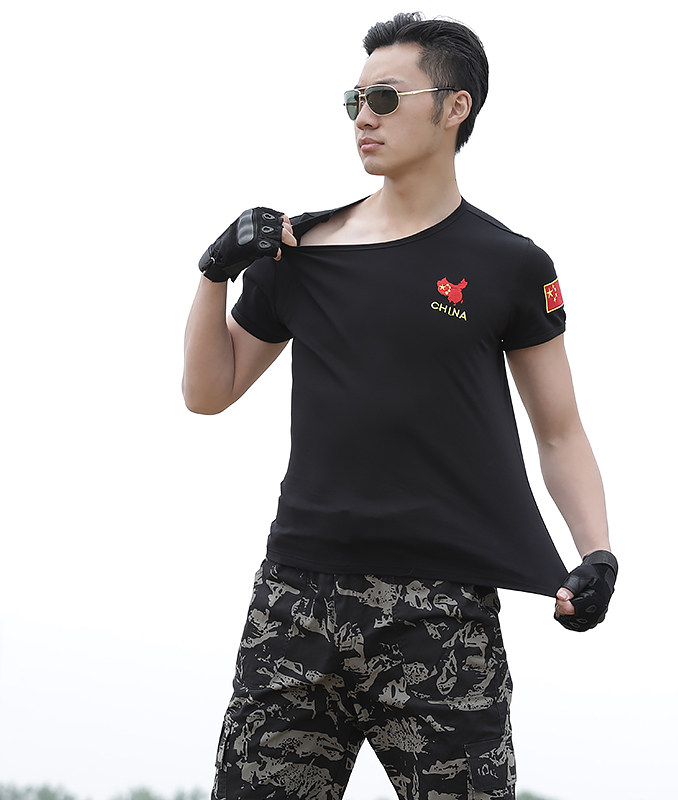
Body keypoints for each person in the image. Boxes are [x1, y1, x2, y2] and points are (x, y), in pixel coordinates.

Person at [183, 12, 617, 800]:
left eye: (384, 97)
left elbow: (559, 432)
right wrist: (213, 274)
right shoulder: (299, 252)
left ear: (456, 107)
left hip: (441, 612)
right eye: (354, 100)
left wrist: (597, 553)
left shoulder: (512, 265)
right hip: (296, 600)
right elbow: (208, 393)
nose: (364, 117)